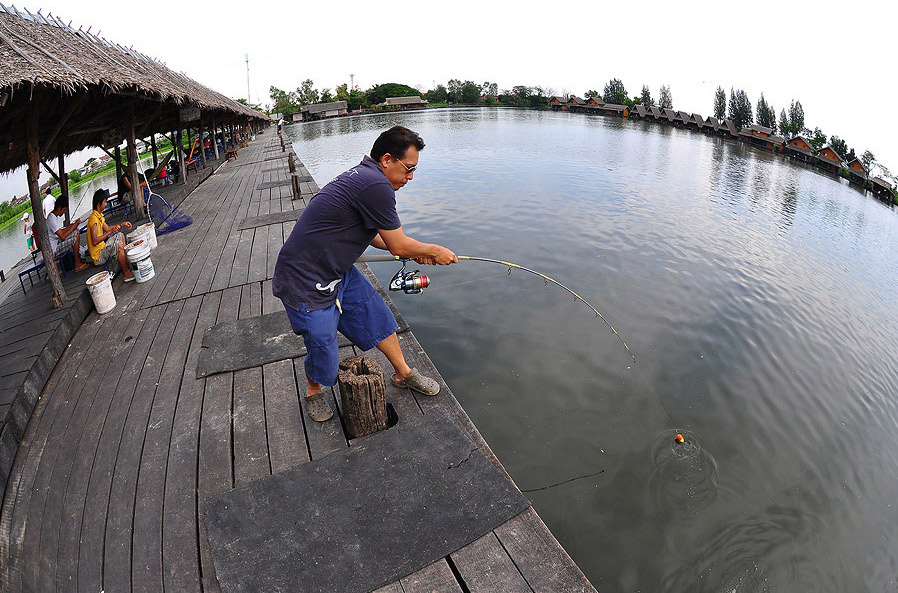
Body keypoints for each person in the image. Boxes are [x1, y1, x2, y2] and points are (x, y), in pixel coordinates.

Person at [273, 125, 457, 422]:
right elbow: (398, 242)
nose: (410, 177)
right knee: (323, 347)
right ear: (387, 159)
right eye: (408, 169)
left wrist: (411, 251)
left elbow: (377, 236)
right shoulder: (375, 185)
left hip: (337, 269)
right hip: (305, 278)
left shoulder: (365, 175)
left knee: (377, 317)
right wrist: (433, 249)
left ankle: (403, 373)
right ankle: (313, 391)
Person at [87, 189, 134, 282]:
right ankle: (126, 274)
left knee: (120, 235)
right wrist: (110, 232)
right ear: (98, 203)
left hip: (103, 247)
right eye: (104, 202)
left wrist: (122, 224)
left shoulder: (99, 216)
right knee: (119, 245)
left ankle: (126, 263)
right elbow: (95, 240)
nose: (105, 204)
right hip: (98, 256)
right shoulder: (93, 219)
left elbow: (108, 229)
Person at [46, 196, 88, 271]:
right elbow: (62, 237)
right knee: (75, 234)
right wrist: (74, 226)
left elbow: (60, 232)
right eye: (64, 210)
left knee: (75, 231)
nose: (64, 212)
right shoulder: (51, 218)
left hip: (56, 243)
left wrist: (70, 227)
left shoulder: (53, 216)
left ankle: (77, 260)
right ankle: (77, 264)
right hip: (53, 251)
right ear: (59, 208)